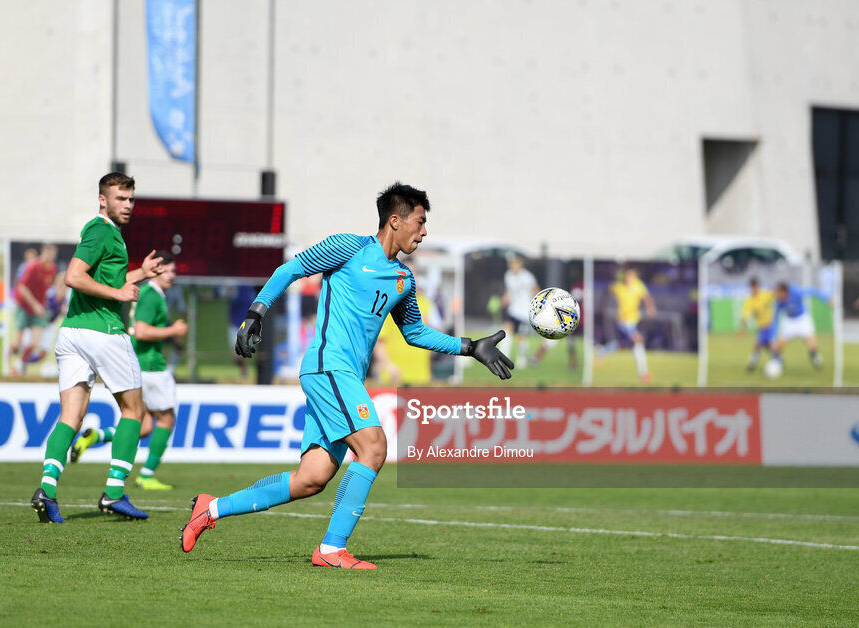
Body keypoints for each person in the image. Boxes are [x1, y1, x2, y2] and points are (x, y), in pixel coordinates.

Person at [180, 182, 513, 569]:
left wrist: (470, 347)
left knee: (312, 478)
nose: (424, 232)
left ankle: (211, 508)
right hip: (328, 366)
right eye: (420, 222)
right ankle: (331, 549)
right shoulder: (349, 247)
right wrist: (257, 312)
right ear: (395, 220)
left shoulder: (404, 279)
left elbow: (414, 333)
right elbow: (291, 269)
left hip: (343, 376)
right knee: (374, 447)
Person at [30, 172, 164, 524]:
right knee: (135, 412)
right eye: (121, 198)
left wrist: (140, 273)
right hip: (103, 333)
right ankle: (115, 492)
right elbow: (73, 276)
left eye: (131, 199)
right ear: (102, 200)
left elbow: (106, 280)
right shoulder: (101, 230)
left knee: (71, 417)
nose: (128, 205)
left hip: (73, 333)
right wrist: (119, 293)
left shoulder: (108, 234)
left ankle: (47, 488)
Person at [69, 251, 188, 490]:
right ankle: (146, 475)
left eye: (174, 271)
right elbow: (141, 331)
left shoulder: (150, 294)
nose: (171, 275)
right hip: (151, 366)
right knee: (166, 419)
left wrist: (170, 338)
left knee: (144, 425)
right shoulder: (152, 295)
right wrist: (173, 331)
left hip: (139, 362)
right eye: (166, 270)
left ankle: (97, 436)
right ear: (156, 271)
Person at [10, 243, 58, 374]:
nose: (50, 256)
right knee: (17, 344)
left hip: (39, 309)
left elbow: (45, 289)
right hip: (24, 306)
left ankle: (18, 367)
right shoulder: (33, 266)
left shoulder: (52, 269)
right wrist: (35, 304)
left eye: (53, 254)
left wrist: (43, 304)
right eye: (48, 253)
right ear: (43, 251)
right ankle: (9, 356)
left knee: (35, 342)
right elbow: (22, 288)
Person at [610, 267, 656, 383]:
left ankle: (601, 352)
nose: (628, 278)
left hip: (634, 321)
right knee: (637, 341)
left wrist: (650, 307)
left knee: (623, 344)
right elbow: (607, 292)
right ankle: (643, 373)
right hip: (622, 322)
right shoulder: (618, 286)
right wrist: (603, 306)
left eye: (631, 276)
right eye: (627, 276)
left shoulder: (638, 285)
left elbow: (646, 297)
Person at [769, 282, 829, 371]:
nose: (777, 294)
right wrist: (772, 336)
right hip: (789, 321)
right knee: (778, 346)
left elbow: (813, 291)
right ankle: (778, 361)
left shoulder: (796, 292)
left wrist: (826, 299)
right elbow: (775, 319)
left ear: (784, 291)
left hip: (802, 319)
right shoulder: (778, 302)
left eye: (778, 292)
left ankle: (814, 356)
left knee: (811, 341)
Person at [500, 255, 545, 368]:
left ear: (520, 264)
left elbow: (536, 291)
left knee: (520, 336)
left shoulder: (527, 277)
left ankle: (522, 358)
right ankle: (503, 358)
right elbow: (509, 292)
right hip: (513, 310)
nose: (513, 266)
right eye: (512, 263)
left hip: (524, 312)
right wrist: (505, 299)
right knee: (506, 330)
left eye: (516, 263)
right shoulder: (508, 276)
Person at [738, 277, 776, 372]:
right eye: (752, 287)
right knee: (768, 346)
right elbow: (745, 315)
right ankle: (779, 360)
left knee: (758, 344)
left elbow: (776, 295)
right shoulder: (749, 300)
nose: (754, 289)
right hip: (761, 327)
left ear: (758, 286)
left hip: (771, 325)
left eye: (756, 287)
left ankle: (752, 365)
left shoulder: (765, 295)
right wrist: (742, 329)